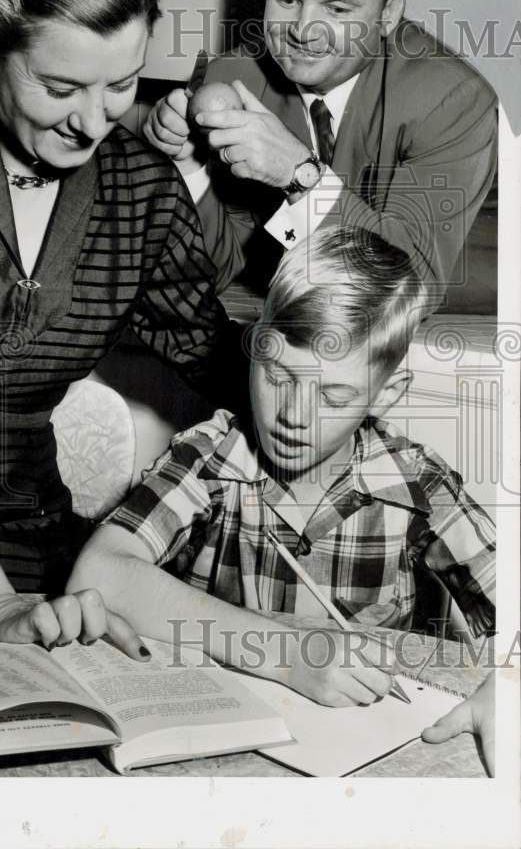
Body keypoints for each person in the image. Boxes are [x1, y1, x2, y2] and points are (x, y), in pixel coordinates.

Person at [0, 0, 238, 652]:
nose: (93, 123)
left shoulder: (142, 193)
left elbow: (213, 357)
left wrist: (329, 368)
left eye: (120, 85)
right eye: (60, 89)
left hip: (32, 547)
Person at [66, 226, 495, 716]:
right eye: (277, 375)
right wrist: (289, 655)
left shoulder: (416, 482)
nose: (294, 414)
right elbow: (97, 572)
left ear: (387, 393)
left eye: (333, 396)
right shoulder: (208, 459)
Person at [144, 0, 497, 305]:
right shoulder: (233, 78)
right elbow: (212, 272)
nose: (303, 29)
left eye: (336, 8)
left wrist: (299, 175)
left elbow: (408, 287)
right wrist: (187, 167)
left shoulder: (453, 100)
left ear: (387, 14)